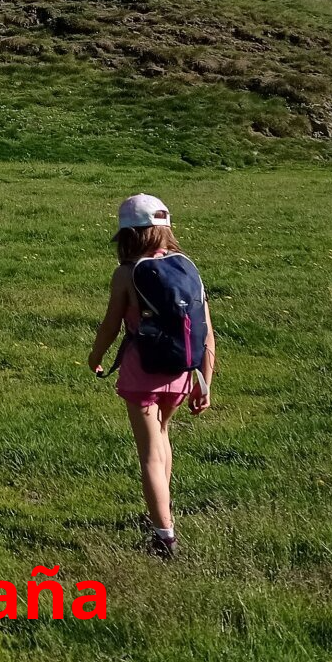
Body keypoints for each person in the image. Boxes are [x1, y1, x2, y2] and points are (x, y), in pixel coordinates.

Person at [87, 193, 214, 560]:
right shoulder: (187, 267)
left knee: (149, 455)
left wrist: (95, 356)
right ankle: (163, 511)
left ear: (127, 235)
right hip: (181, 372)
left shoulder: (126, 274)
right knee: (162, 437)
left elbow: (111, 325)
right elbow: (207, 331)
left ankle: (164, 535)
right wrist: (204, 381)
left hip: (142, 372)